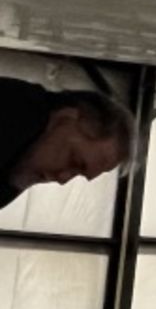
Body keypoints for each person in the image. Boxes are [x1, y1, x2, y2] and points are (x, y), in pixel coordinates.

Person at [0, 78, 134, 210]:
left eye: (77, 174)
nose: (62, 179)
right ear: (66, 116)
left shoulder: (22, 160)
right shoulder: (17, 108)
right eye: (73, 161)